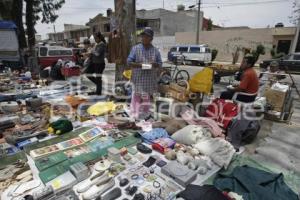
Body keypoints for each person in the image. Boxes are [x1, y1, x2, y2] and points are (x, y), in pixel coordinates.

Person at [127, 27, 163, 119]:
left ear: (151, 38)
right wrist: (142, 65)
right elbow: (129, 62)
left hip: (149, 81)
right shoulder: (135, 49)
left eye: (146, 36)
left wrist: (155, 65)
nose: (144, 38)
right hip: (138, 80)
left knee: (147, 100)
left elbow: (160, 64)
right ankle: (134, 117)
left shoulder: (155, 51)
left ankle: (146, 118)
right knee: (136, 99)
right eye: (143, 36)